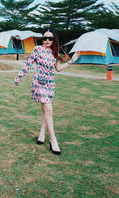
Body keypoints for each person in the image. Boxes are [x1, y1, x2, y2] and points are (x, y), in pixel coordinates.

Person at [14, 27, 80, 155]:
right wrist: (19, 77)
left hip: (50, 83)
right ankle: (53, 140)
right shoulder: (37, 49)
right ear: (42, 39)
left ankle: (42, 134)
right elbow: (27, 64)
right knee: (48, 109)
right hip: (39, 82)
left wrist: (71, 61)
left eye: (50, 38)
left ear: (54, 39)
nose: (47, 40)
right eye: (45, 38)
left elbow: (58, 69)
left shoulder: (54, 53)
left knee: (45, 109)